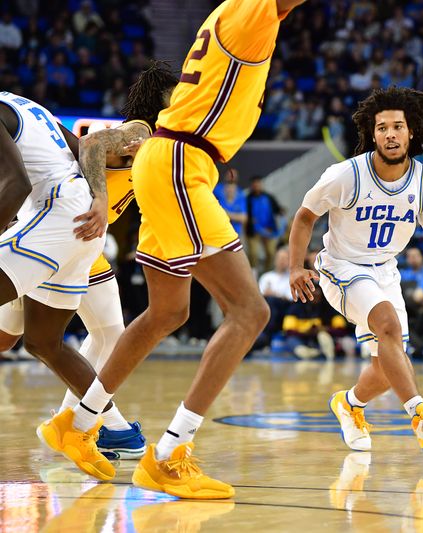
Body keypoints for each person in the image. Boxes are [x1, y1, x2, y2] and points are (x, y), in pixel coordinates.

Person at [39, 0, 306, 499]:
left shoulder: (240, 16)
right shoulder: (248, 13)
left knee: (166, 312)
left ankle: (75, 422)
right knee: (249, 312)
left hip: (172, 162)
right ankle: (169, 454)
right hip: (183, 161)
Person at [289, 87, 423, 452]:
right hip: (341, 267)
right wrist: (295, 266)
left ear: (411, 131)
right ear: (372, 133)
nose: (390, 134)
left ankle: (349, 404)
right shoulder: (346, 175)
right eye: (383, 127)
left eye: (397, 127)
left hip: (385, 272)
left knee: (388, 368)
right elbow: (305, 216)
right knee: (387, 323)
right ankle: (422, 418)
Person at [0, 62, 178, 460]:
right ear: (162, 101)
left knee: (31, 339)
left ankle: (80, 423)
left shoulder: (164, 147)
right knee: (102, 337)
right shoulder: (141, 131)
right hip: (72, 228)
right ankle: (90, 425)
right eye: (180, 97)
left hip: (69, 232)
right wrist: (100, 199)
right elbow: (93, 145)